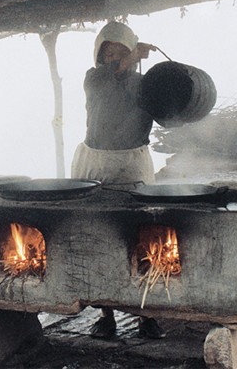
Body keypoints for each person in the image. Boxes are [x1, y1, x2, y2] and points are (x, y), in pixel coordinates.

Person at [71, 20, 166, 340]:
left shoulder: (145, 84)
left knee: (144, 239)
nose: (112, 56)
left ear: (130, 52)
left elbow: (169, 114)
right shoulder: (94, 78)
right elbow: (112, 72)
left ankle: (148, 316)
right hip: (95, 164)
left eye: (120, 50)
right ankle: (106, 315)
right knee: (97, 239)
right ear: (99, 56)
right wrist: (132, 56)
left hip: (132, 165)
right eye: (107, 51)